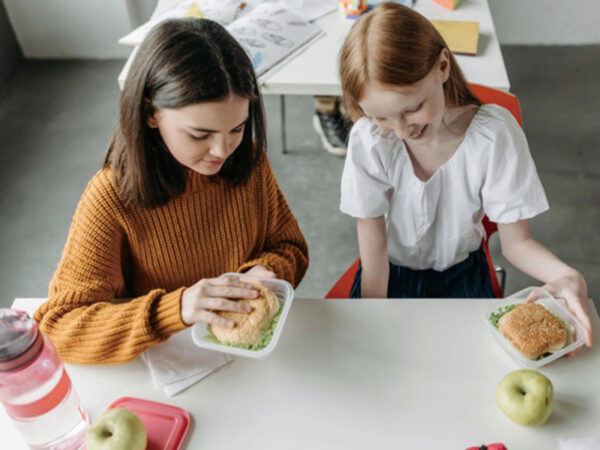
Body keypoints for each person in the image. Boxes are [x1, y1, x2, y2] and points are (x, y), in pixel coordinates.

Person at [34, 18, 309, 365]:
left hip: (245, 363)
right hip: (163, 370)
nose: (223, 151)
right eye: (200, 135)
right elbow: (59, 328)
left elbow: (290, 247)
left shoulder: (248, 160)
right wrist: (177, 308)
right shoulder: (110, 197)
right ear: (150, 112)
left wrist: (265, 272)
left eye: (237, 128)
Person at [338, 3, 592, 347]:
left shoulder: (492, 136)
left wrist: (567, 275)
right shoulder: (370, 139)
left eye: (412, 109)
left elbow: (517, 243)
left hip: (462, 276)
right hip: (388, 275)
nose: (400, 131)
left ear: (443, 66)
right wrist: (373, 321)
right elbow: (374, 253)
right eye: (382, 117)